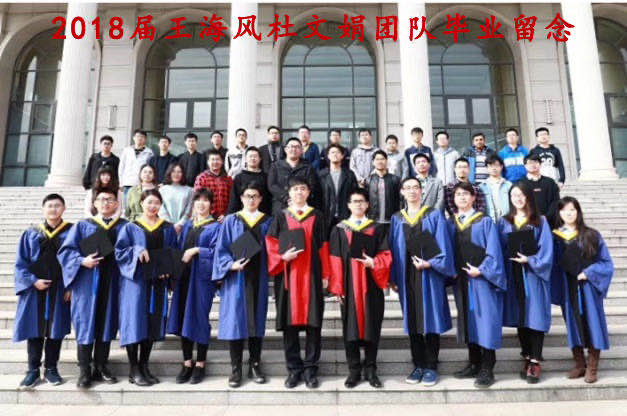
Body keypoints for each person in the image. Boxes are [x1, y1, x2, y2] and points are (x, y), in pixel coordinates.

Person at [389, 177, 456, 386]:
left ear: (421, 191)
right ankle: (418, 364)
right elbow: (392, 249)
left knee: (431, 318)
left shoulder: (433, 215)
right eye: (407, 188)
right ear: (402, 192)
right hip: (406, 275)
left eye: (415, 187)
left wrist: (430, 263)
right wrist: (393, 277)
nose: (412, 191)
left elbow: (443, 245)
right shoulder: (396, 218)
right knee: (413, 319)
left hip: (429, 274)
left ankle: (431, 365)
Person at [58, 189, 128, 389]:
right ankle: (84, 370)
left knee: (107, 323)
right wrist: (82, 261)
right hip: (87, 283)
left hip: (113, 282)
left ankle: (101, 366)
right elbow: (66, 251)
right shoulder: (83, 225)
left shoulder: (124, 226)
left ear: (117, 204)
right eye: (102, 199)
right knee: (86, 323)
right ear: (95, 203)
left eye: (110, 200)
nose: (106, 203)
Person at [265, 178, 331, 389]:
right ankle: (294, 369)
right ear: (289, 193)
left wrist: (326, 274)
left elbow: (324, 246)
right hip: (288, 277)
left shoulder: (317, 215)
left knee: (314, 324)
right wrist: (282, 258)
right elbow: (271, 244)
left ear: (309, 192)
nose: (299, 192)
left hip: (312, 276)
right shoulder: (280, 215)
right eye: (295, 189)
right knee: (289, 325)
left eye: (303, 188)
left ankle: (311, 368)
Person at [328, 189, 392, 389]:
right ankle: (354, 370)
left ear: (367, 205)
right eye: (354, 201)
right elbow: (335, 259)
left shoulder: (377, 228)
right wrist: (337, 288)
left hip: (371, 284)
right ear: (348, 205)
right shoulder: (339, 229)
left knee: (373, 325)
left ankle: (371, 369)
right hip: (349, 286)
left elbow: (386, 254)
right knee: (350, 328)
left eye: (362, 201)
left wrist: (374, 262)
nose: (358, 204)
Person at [115, 189, 179, 387]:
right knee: (134, 322)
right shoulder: (131, 227)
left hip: (157, 283)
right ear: (141, 203)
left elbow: (173, 253)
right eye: (149, 202)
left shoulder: (167, 228)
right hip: (136, 283)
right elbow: (119, 252)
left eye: (156, 203)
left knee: (152, 323)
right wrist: (136, 250)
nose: (153, 206)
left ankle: (144, 366)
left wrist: (168, 270)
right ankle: (133, 369)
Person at [213, 183, 273, 387]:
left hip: (258, 278)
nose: (251, 199)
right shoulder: (231, 220)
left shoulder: (267, 221)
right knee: (235, 322)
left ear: (261, 199)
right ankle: (236, 368)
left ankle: (255, 364)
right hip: (236, 278)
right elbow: (221, 249)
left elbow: (273, 249)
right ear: (241, 198)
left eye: (255, 196)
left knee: (257, 321)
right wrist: (230, 265)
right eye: (248, 196)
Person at [448, 182, 505, 388]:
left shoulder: (485, 221)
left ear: (473, 198)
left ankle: (487, 367)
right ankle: (474, 363)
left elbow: (494, 251)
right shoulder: (450, 222)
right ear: (453, 199)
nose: (462, 197)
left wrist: (482, 270)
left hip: (482, 279)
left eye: (466, 194)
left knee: (486, 320)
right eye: (458, 194)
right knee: (468, 320)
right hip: (462, 280)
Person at [551, 197, 614, 384]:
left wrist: (589, 273)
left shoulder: (591, 235)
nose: (569, 213)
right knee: (572, 324)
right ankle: (580, 364)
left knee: (593, 323)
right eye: (564, 210)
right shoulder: (555, 237)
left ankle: (592, 367)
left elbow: (606, 263)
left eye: (572, 209)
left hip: (588, 287)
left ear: (578, 212)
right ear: (559, 213)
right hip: (568, 287)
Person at [13, 194, 72, 390]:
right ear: (43, 209)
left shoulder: (72, 232)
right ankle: (32, 370)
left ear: (64, 208)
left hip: (60, 288)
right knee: (34, 329)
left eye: (57, 205)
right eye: (50, 206)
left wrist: (71, 287)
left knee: (56, 330)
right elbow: (21, 264)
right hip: (35, 289)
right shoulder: (30, 233)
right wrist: (33, 281)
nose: (53, 209)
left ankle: (51, 369)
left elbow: (76, 262)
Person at [497, 183, 554, 384]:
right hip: (513, 275)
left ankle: (535, 361)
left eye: (522, 195)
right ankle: (527, 356)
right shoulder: (504, 221)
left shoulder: (540, 221)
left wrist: (530, 260)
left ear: (529, 197)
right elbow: (498, 248)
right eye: (514, 195)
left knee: (535, 316)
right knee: (520, 317)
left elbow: (547, 249)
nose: (518, 198)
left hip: (533, 275)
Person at [167, 189, 220, 385]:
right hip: (184, 278)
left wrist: (198, 250)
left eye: (206, 200)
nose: (201, 204)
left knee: (200, 319)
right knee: (183, 318)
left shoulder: (216, 227)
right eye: (198, 200)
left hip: (202, 280)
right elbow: (179, 250)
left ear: (211, 205)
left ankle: (200, 363)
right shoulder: (188, 225)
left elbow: (218, 252)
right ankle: (187, 362)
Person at [267, 137, 323, 215]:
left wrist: (298, 198)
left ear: (301, 150)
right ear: (285, 149)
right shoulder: (276, 166)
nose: (294, 149)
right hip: (281, 205)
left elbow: (312, 185)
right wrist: (287, 198)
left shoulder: (308, 167)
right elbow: (272, 185)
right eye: (291, 146)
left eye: (297, 147)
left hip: (302, 205)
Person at [318, 143, 358, 234]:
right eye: (332, 152)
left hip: (345, 214)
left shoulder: (349, 175)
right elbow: (318, 197)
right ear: (328, 156)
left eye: (337, 152)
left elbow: (355, 194)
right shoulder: (321, 175)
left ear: (342, 156)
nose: (335, 154)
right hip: (327, 215)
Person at [227, 146, 272, 215]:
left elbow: (269, 198)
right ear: (245, 159)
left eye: (255, 156)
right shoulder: (239, 177)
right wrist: (231, 215)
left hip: (263, 215)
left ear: (260, 159)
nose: (253, 158)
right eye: (250, 156)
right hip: (243, 215)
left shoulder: (266, 177)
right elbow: (234, 199)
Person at [518, 154, 560, 225]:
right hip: (528, 222)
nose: (533, 165)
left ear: (540, 164)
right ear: (525, 166)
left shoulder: (550, 182)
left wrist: (546, 217)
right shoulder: (521, 184)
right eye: (530, 163)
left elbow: (555, 201)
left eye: (536, 162)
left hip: (549, 222)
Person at [194, 149, 233, 223]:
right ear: (208, 162)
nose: (215, 162)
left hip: (225, 219)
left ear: (222, 162)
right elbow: (198, 199)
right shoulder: (202, 178)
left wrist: (226, 214)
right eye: (212, 159)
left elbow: (232, 200)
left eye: (218, 159)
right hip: (207, 218)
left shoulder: (228, 179)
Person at [118, 129, 153, 203]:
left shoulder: (149, 153)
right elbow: (121, 167)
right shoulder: (127, 151)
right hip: (128, 183)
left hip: (141, 184)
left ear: (145, 139)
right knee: (127, 205)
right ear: (133, 138)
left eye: (142, 137)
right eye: (137, 136)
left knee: (141, 205)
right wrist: (121, 182)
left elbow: (150, 169)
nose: (139, 138)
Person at [366, 150, 401, 224]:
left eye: (382, 159)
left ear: (386, 161)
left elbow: (400, 200)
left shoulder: (395, 179)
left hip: (391, 220)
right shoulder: (368, 180)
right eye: (377, 159)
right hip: (373, 220)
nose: (380, 161)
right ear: (373, 162)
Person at [158, 163, 193, 234]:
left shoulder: (189, 190)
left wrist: (180, 224)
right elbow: (161, 209)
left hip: (184, 226)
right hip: (166, 226)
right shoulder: (162, 190)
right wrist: (171, 225)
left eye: (179, 172)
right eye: (173, 171)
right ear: (169, 173)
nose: (176, 174)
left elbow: (189, 209)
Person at [479, 155, 512, 222]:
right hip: (489, 222)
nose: (494, 168)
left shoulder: (509, 185)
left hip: (506, 221)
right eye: (491, 166)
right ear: (487, 168)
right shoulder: (481, 187)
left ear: (501, 167)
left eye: (496, 165)